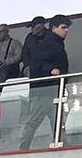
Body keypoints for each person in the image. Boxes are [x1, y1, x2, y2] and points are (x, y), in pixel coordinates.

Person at [19, 17, 71, 150]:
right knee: (40, 120)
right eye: (63, 27)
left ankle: (61, 144)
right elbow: (35, 64)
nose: (66, 30)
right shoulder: (47, 44)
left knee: (54, 121)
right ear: (53, 28)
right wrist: (51, 70)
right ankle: (24, 146)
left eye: (67, 28)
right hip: (44, 91)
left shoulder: (53, 44)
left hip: (51, 90)